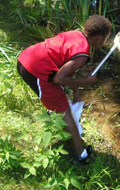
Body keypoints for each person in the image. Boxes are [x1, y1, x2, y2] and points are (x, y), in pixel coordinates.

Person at [17, 15, 111, 165]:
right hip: (36, 71)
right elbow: (59, 79)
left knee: (60, 103)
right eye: (106, 38)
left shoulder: (76, 34)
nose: (105, 41)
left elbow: (67, 69)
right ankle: (82, 155)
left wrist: (77, 92)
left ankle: (57, 118)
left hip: (26, 57)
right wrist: (86, 82)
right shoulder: (83, 55)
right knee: (64, 111)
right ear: (100, 38)